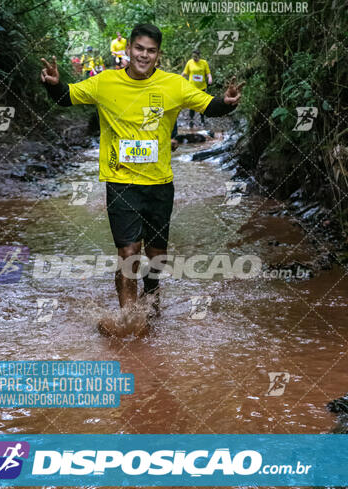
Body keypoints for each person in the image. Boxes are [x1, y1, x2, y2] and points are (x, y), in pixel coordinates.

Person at [41, 23, 242, 334]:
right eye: (139, 49)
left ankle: (153, 292)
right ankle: (130, 320)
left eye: (150, 51)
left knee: (156, 256)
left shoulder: (174, 85)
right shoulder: (105, 83)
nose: (144, 55)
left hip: (160, 184)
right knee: (128, 253)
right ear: (129, 50)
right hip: (121, 184)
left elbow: (209, 105)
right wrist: (53, 84)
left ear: (157, 55)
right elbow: (66, 96)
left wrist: (227, 102)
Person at [182, 50, 212, 128]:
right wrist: (178, 78)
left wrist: (210, 78)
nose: (194, 58)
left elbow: (208, 73)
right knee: (192, 104)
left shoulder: (204, 63)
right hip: (192, 87)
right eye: (193, 56)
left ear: (199, 56)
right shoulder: (189, 62)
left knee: (202, 104)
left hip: (202, 87)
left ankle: (202, 120)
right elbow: (185, 73)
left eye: (196, 56)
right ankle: (191, 120)